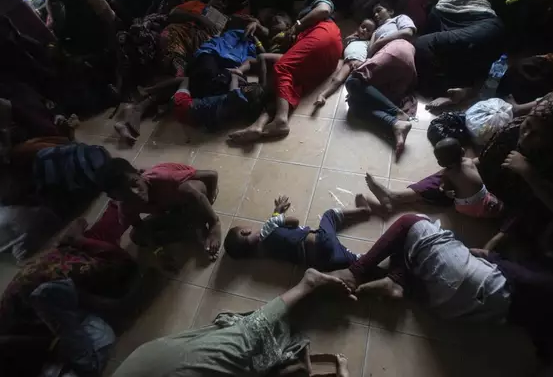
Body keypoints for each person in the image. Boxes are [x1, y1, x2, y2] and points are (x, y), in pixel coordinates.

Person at [366, 90, 553, 252]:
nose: (526, 136)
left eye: (537, 134)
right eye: (528, 125)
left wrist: (530, 173)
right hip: (496, 184)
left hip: (524, 201)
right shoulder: (514, 129)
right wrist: (455, 179)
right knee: (458, 167)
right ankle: (395, 197)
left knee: (536, 218)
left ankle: (496, 242)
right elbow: (483, 161)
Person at [331, 214, 553, 339]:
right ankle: (396, 282)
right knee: (414, 251)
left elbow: (531, 280)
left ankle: (355, 273)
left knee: (413, 223)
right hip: (454, 309)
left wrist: (492, 257)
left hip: (475, 283)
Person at [111, 268, 353, 377]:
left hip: (178, 362)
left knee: (242, 340)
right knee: (236, 340)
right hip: (159, 356)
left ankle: (306, 284)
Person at [0, 209, 140, 377]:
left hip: (32, 300)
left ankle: (78, 240)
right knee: (96, 262)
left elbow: (13, 342)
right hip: (32, 295)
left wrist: (56, 347)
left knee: (121, 267)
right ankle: (76, 241)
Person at [228, 0, 343, 143]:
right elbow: (264, 53)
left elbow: (324, 10)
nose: (276, 20)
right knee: (285, 87)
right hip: (325, 59)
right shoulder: (286, 36)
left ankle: (281, 120)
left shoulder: (316, 1)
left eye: (280, 17)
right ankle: (258, 125)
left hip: (324, 35)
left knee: (282, 68)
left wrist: (296, 26)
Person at [97, 158, 223, 266]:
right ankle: (190, 231)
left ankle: (213, 223)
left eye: (134, 183)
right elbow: (141, 228)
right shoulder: (125, 207)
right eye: (125, 194)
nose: (135, 193)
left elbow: (212, 175)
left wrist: (209, 206)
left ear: (139, 173)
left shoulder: (163, 178)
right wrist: (159, 253)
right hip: (169, 206)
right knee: (137, 236)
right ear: (116, 198)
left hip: (187, 190)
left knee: (188, 190)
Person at [344, 1, 417, 158]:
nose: (376, 15)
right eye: (374, 13)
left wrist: (379, 41)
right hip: (396, 72)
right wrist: (356, 39)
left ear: (390, 10)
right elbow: (369, 55)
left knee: (352, 82)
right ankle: (396, 124)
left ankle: (396, 113)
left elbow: (408, 33)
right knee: (354, 105)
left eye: (379, 10)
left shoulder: (398, 18)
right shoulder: (376, 31)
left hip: (398, 48)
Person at [224, 194, 371, 271]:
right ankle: (363, 211)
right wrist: (277, 215)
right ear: (245, 231)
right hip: (322, 240)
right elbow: (294, 222)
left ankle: (378, 268)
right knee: (329, 214)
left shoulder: (263, 255)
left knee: (359, 261)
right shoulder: (267, 228)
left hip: (322, 262)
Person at [413, 0, 504, 106]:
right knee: (425, 48)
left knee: (423, 44)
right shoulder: (436, 5)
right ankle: (458, 92)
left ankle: (459, 92)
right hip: (444, 16)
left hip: (480, 20)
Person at [159, 0, 229, 78]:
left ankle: (183, 72)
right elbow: (173, 13)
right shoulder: (197, 4)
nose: (220, 3)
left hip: (204, 41)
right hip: (184, 32)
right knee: (171, 31)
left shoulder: (225, 21)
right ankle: (178, 68)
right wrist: (199, 18)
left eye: (223, 2)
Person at [313, 18, 376, 108]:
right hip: (347, 62)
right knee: (337, 79)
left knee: (357, 81)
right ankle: (323, 95)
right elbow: (346, 40)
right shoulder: (352, 40)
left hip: (359, 62)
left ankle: (354, 96)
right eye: (363, 27)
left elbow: (371, 49)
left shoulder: (367, 42)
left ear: (370, 35)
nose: (364, 30)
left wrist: (374, 35)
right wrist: (355, 34)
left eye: (368, 30)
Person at [434, 137, 503, 218]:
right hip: (483, 200)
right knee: (501, 207)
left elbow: (446, 188)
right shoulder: (469, 162)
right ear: (463, 151)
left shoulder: (446, 174)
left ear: (440, 163)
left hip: (463, 207)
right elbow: (479, 162)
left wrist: (445, 190)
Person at [171, 75, 265, 133]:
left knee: (186, 80)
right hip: (195, 122)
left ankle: (156, 88)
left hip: (184, 106)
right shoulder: (245, 107)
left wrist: (239, 78)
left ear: (247, 89)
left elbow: (234, 78)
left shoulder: (236, 95)